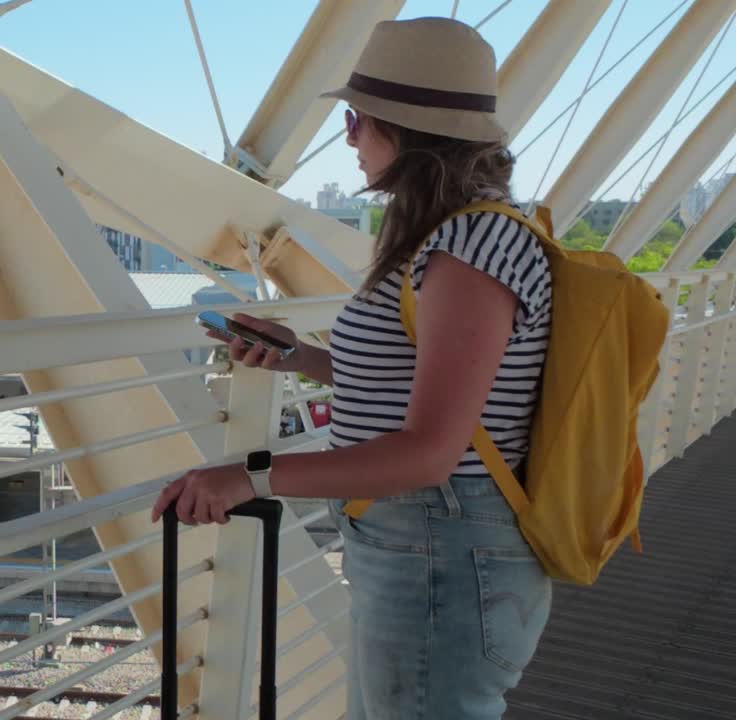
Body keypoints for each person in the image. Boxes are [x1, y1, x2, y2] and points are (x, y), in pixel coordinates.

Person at [152, 17, 553, 720]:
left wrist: (247, 477)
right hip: (417, 548)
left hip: (439, 551)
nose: (348, 137)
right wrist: (299, 357)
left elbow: (430, 454)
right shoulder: (453, 236)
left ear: (408, 130)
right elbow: (430, 388)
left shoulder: (469, 248)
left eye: (358, 119)